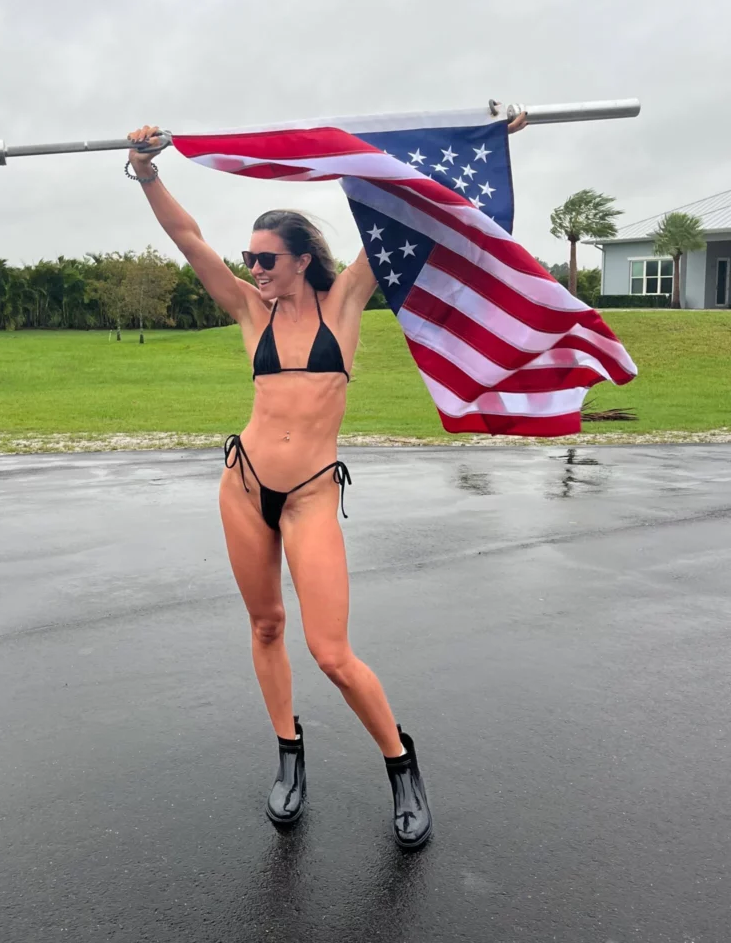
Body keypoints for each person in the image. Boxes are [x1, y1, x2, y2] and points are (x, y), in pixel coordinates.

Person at [125, 111, 526, 850]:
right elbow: (187, 240)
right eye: (249, 257)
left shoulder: (345, 302)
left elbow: (422, 202)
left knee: (332, 652)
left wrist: (486, 140)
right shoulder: (250, 310)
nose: (254, 269)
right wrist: (148, 171)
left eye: (267, 259)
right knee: (267, 625)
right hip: (244, 487)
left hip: (311, 493)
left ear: (304, 259)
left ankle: (401, 765)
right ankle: (289, 752)